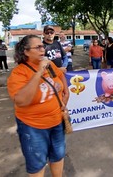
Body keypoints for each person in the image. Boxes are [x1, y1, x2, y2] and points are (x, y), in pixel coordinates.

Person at [7, 35, 69, 176]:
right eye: (38, 47)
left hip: (57, 121)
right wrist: (39, 71)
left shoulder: (50, 64)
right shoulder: (19, 73)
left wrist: (66, 92)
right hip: (33, 127)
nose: (43, 49)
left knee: (58, 156)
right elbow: (21, 101)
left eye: (43, 46)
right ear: (26, 52)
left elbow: (60, 75)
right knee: (37, 164)